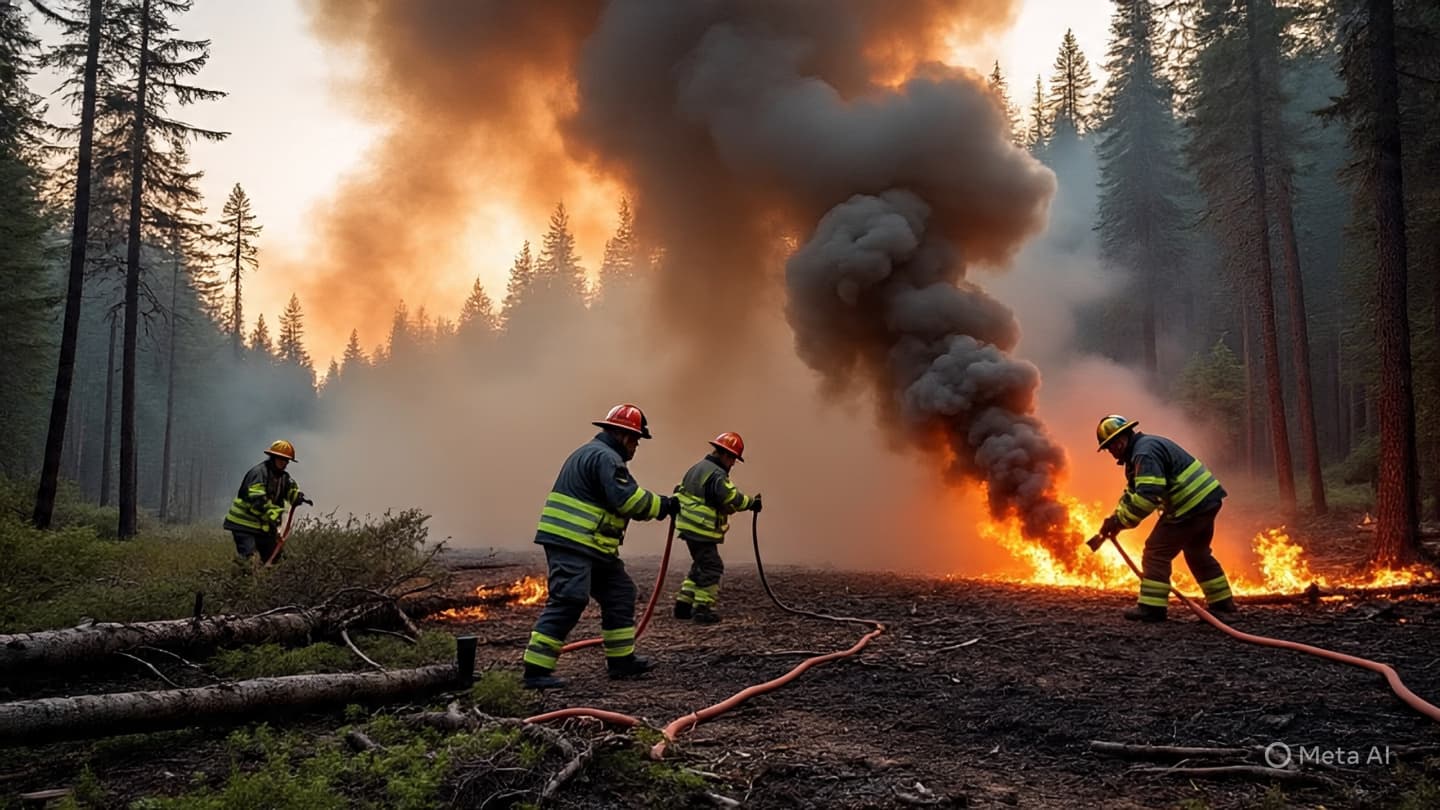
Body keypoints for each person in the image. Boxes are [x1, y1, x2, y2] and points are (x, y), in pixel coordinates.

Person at [521, 404, 682, 690]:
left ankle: (621, 661)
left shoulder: (595, 454)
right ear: (622, 435)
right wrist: (664, 505)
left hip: (592, 545)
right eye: (635, 440)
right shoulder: (605, 458)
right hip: (573, 541)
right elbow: (627, 499)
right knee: (569, 598)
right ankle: (536, 670)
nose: (635, 447)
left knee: (620, 592)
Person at [1094, 415, 1237, 622]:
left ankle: (1152, 608)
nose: (1111, 451)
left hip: (1189, 506)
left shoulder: (1144, 454)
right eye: (1107, 448)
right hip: (1206, 502)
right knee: (1197, 553)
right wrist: (1114, 519)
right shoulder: (1142, 450)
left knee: (1155, 552)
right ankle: (1223, 607)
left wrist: (1120, 523)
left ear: (1121, 439)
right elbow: (1133, 492)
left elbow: (1147, 497)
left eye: (1110, 446)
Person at [672, 432, 760, 624]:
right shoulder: (717, 474)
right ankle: (703, 609)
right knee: (713, 567)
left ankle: (683, 604)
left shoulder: (697, 468)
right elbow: (731, 497)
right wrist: (752, 503)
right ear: (726, 455)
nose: (733, 464)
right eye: (733, 459)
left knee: (701, 565)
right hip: (701, 529)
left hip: (688, 527)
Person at [223, 440, 306, 567]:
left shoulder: (283, 477)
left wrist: (297, 497)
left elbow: (290, 490)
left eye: (286, 460)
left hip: (263, 526)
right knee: (250, 558)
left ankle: (269, 582)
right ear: (273, 457)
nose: (284, 463)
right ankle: (243, 582)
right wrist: (272, 511)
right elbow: (257, 500)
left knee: (276, 559)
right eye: (281, 459)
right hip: (244, 525)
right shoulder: (258, 473)